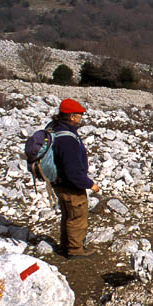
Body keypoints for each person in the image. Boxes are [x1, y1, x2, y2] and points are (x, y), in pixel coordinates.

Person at [50, 98, 100, 259]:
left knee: (68, 214)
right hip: (69, 184)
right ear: (71, 116)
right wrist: (90, 184)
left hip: (59, 182)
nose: (81, 117)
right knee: (78, 216)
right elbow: (72, 170)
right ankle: (75, 249)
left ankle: (66, 245)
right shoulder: (67, 138)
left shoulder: (56, 129)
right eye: (79, 114)